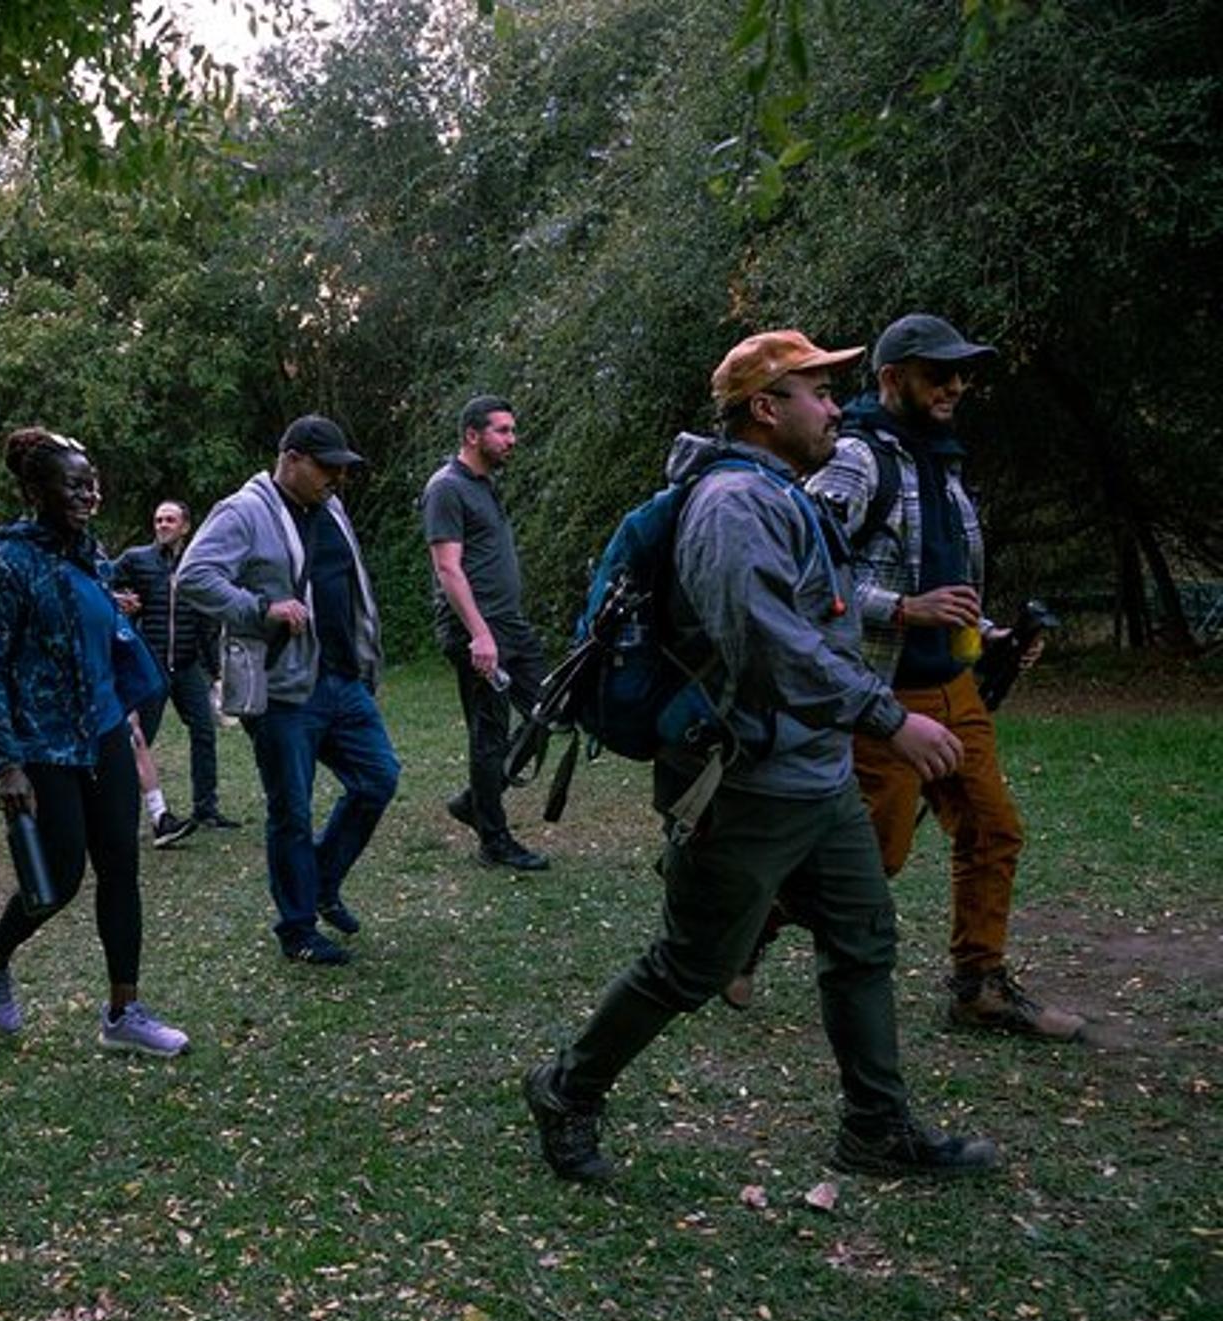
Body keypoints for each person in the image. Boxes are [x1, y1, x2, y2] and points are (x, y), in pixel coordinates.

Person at [521, 331, 997, 1183]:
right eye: (817, 391)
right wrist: (888, 719)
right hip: (743, 783)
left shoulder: (784, 492)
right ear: (766, 408)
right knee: (691, 964)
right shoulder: (733, 505)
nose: (834, 408)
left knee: (862, 937)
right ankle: (565, 1088)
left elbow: (822, 623)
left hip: (816, 777)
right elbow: (768, 646)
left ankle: (875, 1128)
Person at [762, 313, 1080, 1039]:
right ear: (891, 379)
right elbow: (802, 568)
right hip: (884, 693)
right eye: (939, 373)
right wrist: (903, 609)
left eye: (961, 372)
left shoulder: (941, 461)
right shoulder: (857, 459)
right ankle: (744, 923)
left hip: (954, 685)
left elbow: (943, 580)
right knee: (875, 855)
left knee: (994, 829)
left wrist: (992, 635)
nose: (956, 385)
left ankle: (980, 985)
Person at [0, 426, 189, 1057]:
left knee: (121, 867)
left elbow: (93, 632)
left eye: (92, 482)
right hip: (42, 747)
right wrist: (7, 766)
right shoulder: (4, 565)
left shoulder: (89, 555)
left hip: (106, 732)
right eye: (74, 483)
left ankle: (124, 1012)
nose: (89, 493)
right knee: (56, 880)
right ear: (36, 489)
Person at [178, 414, 401, 967]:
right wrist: (260, 609)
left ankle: (321, 881)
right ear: (292, 457)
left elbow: (351, 587)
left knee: (378, 778)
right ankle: (298, 928)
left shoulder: (331, 508)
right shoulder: (244, 512)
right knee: (291, 812)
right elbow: (194, 575)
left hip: (342, 681)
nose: (338, 479)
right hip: (283, 691)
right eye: (328, 468)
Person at [421, 395, 550, 871]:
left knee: (549, 708)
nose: (512, 440)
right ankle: (494, 840)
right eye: (502, 431)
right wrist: (480, 635)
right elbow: (448, 570)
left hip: (509, 625)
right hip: (477, 632)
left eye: (513, 431)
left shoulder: (484, 484)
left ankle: (477, 799)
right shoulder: (446, 488)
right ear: (472, 435)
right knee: (490, 732)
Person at [113, 500, 236, 838]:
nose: (163, 525)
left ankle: (206, 810)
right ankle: (127, 813)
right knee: (138, 742)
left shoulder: (196, 564)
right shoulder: (137, 560)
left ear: (186, 527)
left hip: (186, 665)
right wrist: (117, 599)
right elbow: (99, 581)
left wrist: (215, 672)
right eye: (158, 519)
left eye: (170, 520)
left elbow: (207, 623)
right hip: (149, 666)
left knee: (204, 732)